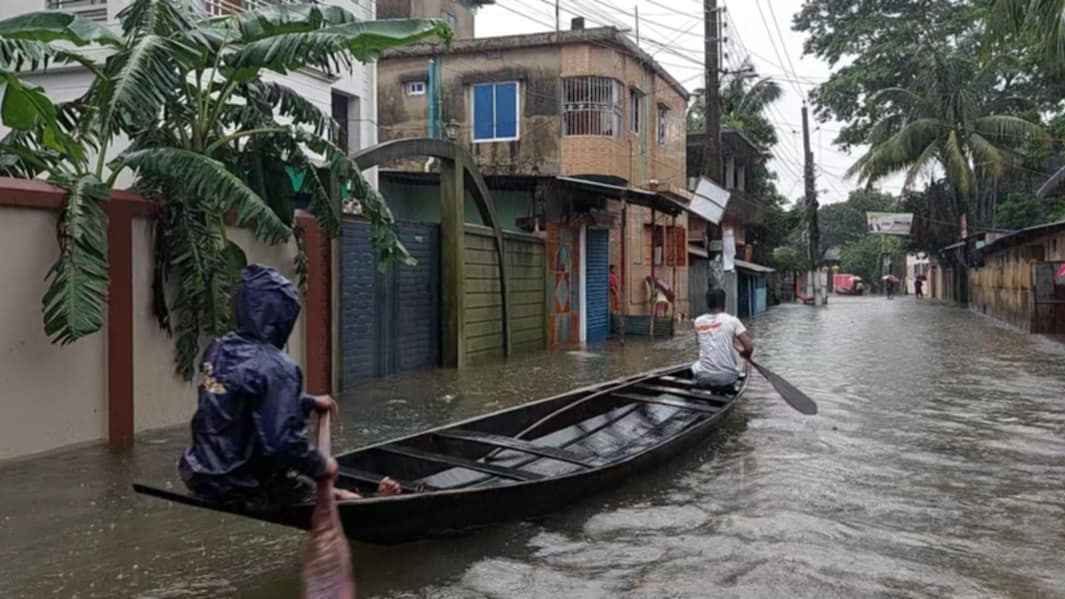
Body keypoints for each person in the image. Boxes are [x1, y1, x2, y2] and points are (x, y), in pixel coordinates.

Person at [179, 265, 399, 510]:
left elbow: (247, 396)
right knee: (315, 489)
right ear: (283, 317)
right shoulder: (277, 366)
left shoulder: (219, 349)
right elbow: (283, 442)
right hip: (241, 484)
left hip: (198, 474)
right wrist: (322, 465)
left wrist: (309, 402)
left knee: (303, 479)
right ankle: (373, 500)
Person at [691, 289, 753, 390]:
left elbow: (699, 343)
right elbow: (749, 347)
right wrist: (745, 354)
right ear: (724, 303)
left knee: (695, 366)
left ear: (708, 303)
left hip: (702, 377)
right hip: (726, 378)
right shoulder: (732, 320)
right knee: (737, 366)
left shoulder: (698, 321)